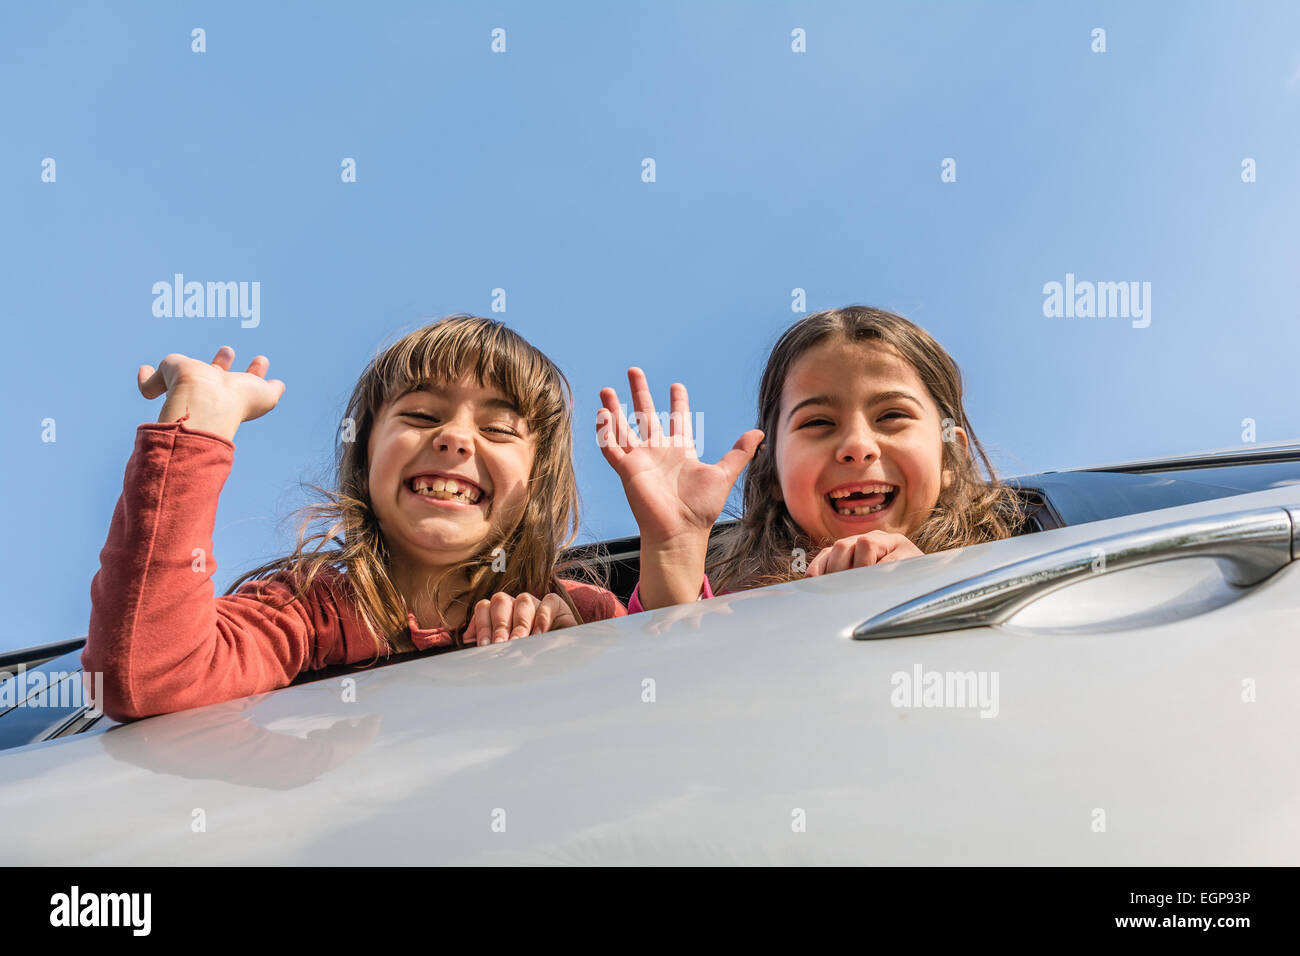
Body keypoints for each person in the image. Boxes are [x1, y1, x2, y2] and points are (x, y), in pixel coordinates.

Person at [84, 315, 625, 721]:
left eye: (501, 428)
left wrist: (580, 661)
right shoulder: (307, 610)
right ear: (365, 456)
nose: (456, 437)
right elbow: (145, 676)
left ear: (537, 483)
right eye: (419, 415)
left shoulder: (576, 611)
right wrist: (199, 426)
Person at [597, 305, 1024, 610]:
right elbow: (673, 695)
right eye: (818, 423)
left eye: (892, 415)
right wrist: (675, 551)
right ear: (773, 477)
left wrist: (929, 593)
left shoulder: (1018, 570)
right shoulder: (740, 613)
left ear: (951, 458)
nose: (857, 446)